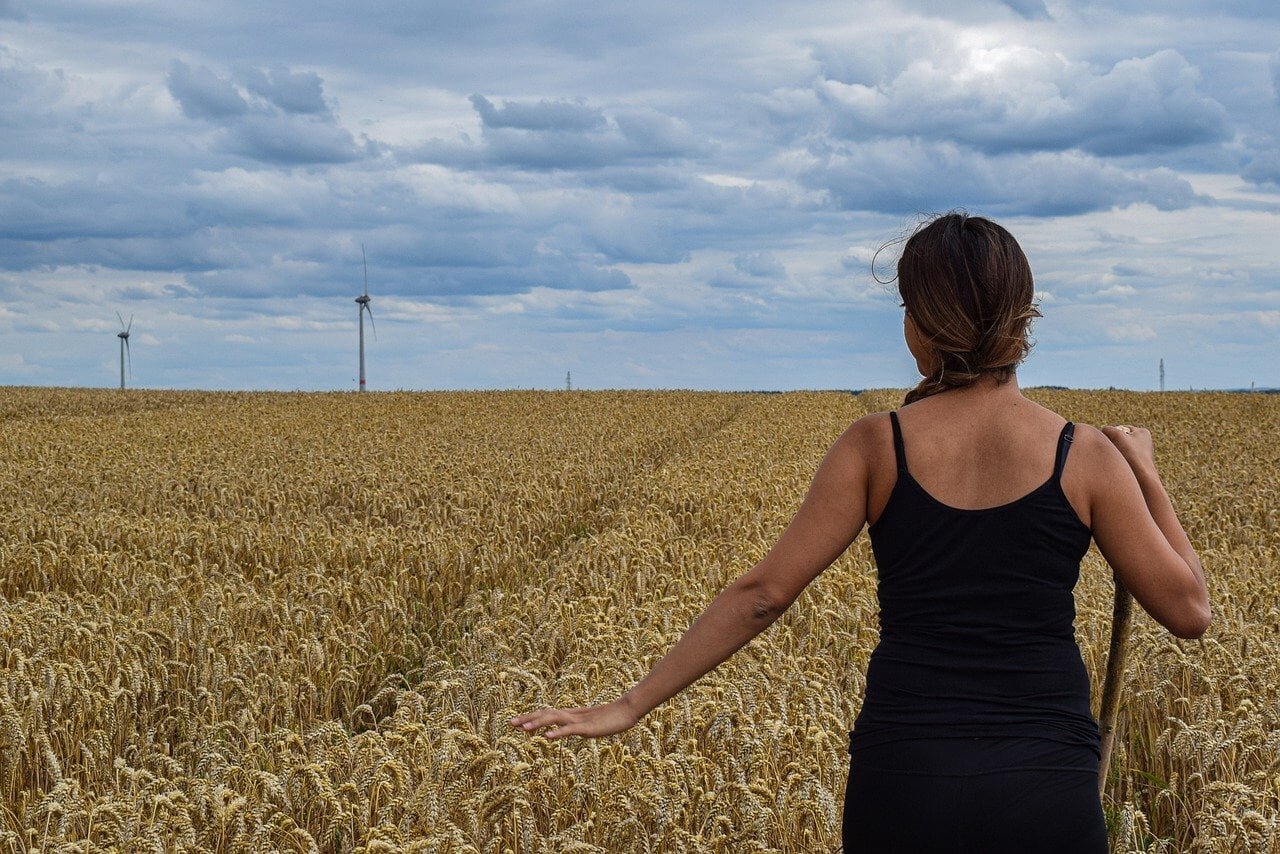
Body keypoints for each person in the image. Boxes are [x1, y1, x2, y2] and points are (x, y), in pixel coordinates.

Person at [510, 212, 1211, 853]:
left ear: (926, 324)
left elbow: (763, 595)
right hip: (1045, 782)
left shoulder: (877, 446)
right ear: (1021, 316)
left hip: (906, 779)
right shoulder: (1083, 454)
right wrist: (1146, 476)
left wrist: (629, 705)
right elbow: (1189, 611)